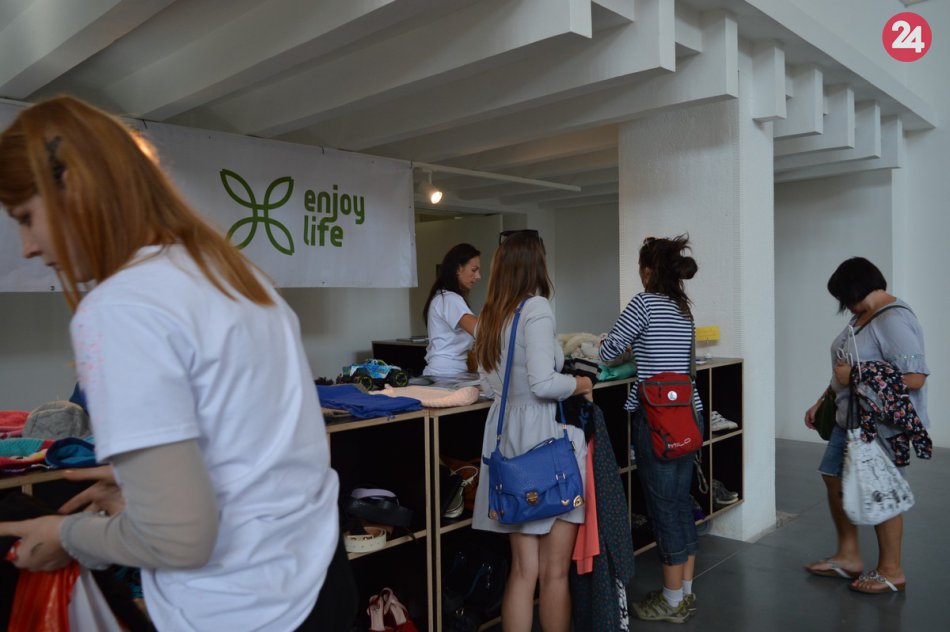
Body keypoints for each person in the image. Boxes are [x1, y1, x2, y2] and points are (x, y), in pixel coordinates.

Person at [0, 96, 355, 631]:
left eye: (26, 217)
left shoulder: (120, 307)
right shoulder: (230, 273)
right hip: (318, 576)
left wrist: (67, 536)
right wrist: (141, 486)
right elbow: (253, 448)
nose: (27, 246)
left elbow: (180, 538)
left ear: (76, 186)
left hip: (244, 610)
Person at [471, 230, 592, 632]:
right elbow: (543, 383)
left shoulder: (490, 316)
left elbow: (488, 385)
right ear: (535, 264)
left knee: (523, 571)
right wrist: (581, 383)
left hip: (507, 441)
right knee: (554, 572)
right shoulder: (536, 308)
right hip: (545, 441)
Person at [804, 257, 928, 594]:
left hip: (881, 424)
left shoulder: (893, 319)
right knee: (833, 475)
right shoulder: (864, 316)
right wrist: (823, 399)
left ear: (855, 288)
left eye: (842, 296)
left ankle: (891, 571)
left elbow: (915, 378)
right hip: (850, 417)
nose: (843, 304)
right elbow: (845, 368)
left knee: (880, 488)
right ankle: (848, 556)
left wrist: (856, 376)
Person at [599, 235, 700, 624]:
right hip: (689, 415)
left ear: (646, 271)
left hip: (658, 419)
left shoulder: (643, 303)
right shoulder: (683, 308)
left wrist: (620, 346)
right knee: (680, 502)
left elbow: (608, 352)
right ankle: (684, 592)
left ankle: (671, 601)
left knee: (663, 509)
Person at [422, 243, 481, 376]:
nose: (478, 276)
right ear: (458, 269)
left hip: (447, 371)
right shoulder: (450, 299)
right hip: (447, 373)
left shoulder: (443, 297)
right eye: (474, 270)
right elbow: (481, 330)